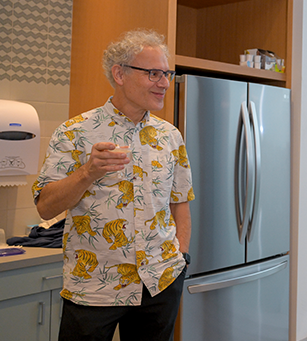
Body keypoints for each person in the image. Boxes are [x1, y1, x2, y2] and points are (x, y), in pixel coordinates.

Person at [32, 29, 194, 341]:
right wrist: (87, 173)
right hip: (93, 288)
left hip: (160, 282)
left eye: (167, 74)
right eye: (153, 73)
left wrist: (181, 259)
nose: (164, 83)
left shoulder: (170, 135)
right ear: (119, 74)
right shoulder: (74, 132)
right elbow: (45, 206)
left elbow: (180, 201)